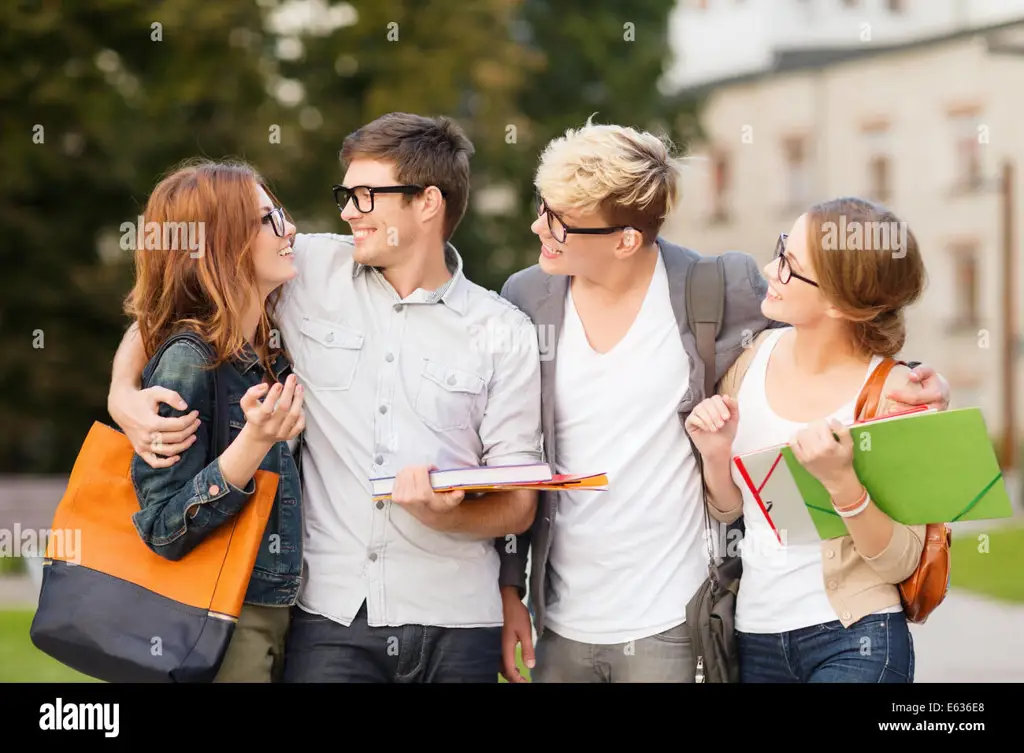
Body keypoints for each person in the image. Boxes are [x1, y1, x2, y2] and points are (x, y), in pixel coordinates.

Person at [496, 119, 951, 683]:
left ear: (626, 239)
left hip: (679, 619)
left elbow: (844, 309)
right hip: (566, 619)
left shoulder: (718, 288)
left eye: (561, 220)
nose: (540, 225)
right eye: (545, 205)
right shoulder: (524, 298)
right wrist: (510, 586)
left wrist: (905, 378)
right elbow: (508, 448)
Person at [109, 113, 543, 683]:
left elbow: (519, 503)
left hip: (460, 620)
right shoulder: (306, 266)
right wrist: (121, 390)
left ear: (427, 202)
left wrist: (449, 515)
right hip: (329, 617)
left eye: (365, 196)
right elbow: (190, 290)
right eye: (346, 194)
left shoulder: (503, 329)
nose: (346, 211)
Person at [685, 197, 930, 682]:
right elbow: (732, 511)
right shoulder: (750, 363)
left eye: (790, 267)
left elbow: (901, 559)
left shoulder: (891, 396)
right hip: (757, 637)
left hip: (857, 636)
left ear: (839, 303)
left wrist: (843, 483)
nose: (769, 270)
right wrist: (715, 456)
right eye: (782, 251)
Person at [115, 158, 305, 682]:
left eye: (280, 212)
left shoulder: (267, 347)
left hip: (283, 612)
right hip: (222, 623)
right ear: (223, 244)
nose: (289, 230)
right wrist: (253, 444)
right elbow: (162, 529)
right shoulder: (189, 360)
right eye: (267, 220)